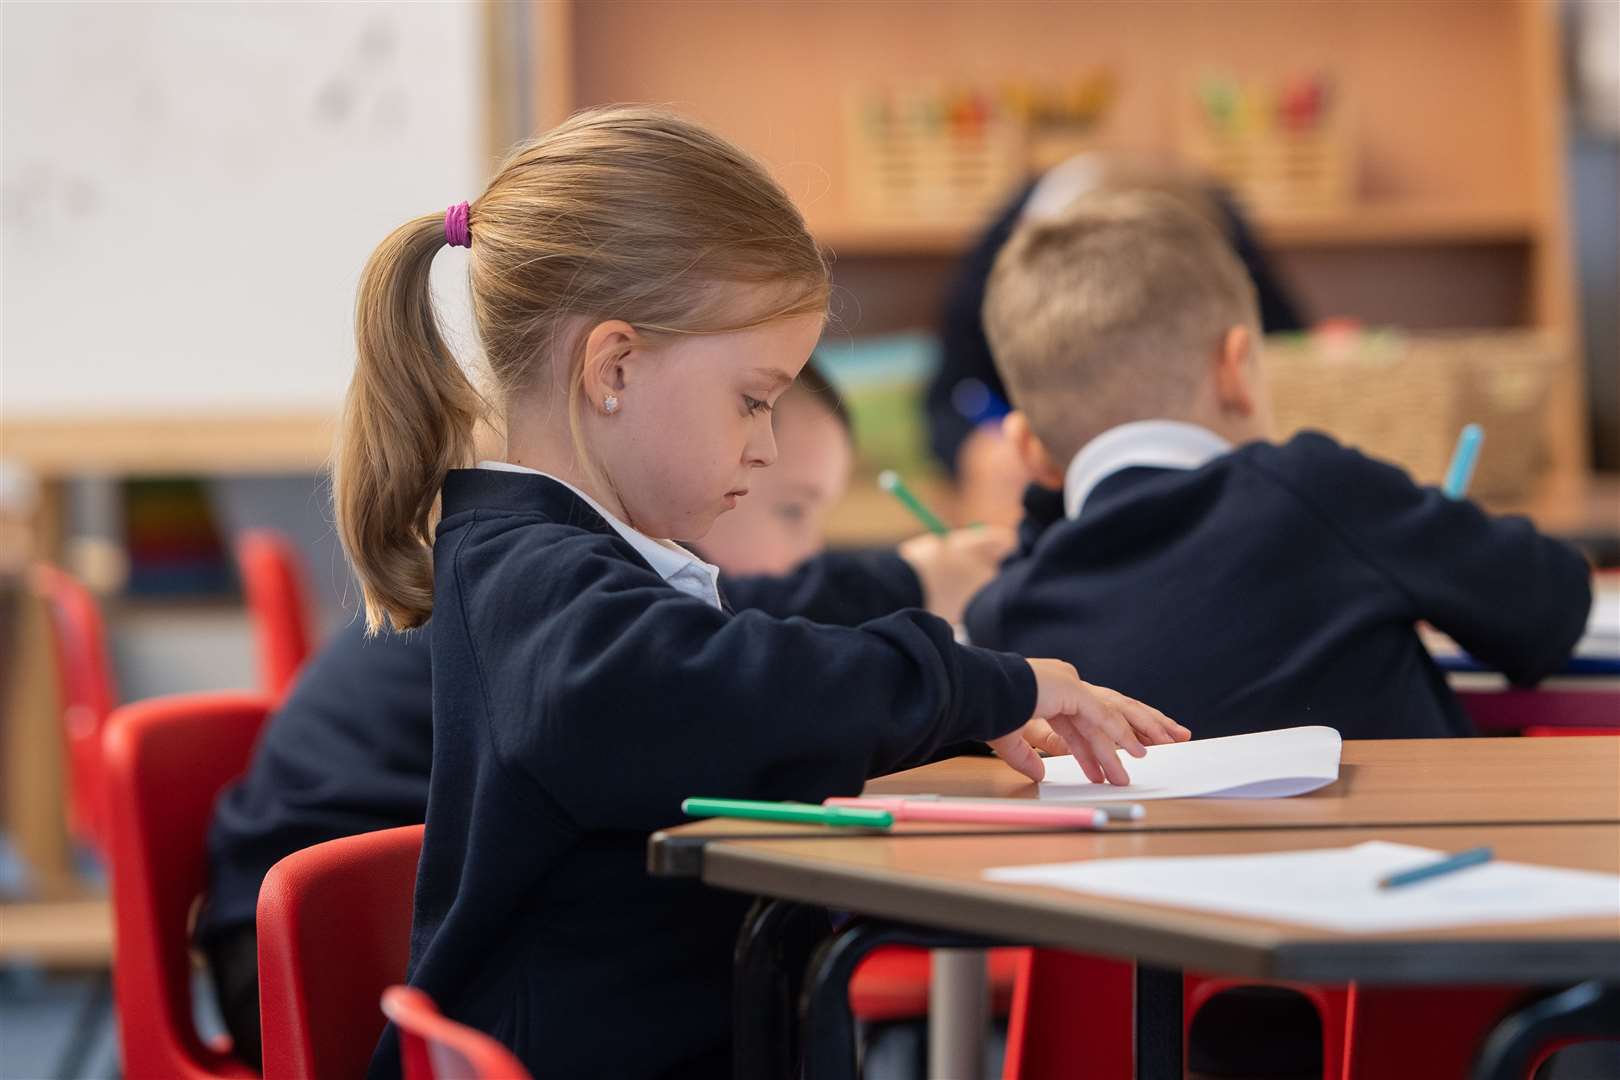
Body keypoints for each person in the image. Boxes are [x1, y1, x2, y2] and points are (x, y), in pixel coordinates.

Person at [332, 106, 1185, 1078]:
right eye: (753, 399)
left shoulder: (566, 568)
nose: (766, 445)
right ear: (612, 368)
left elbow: (732, 683)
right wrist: (981, 684)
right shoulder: (533, 575)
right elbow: (712, 686)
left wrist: (960, 709)